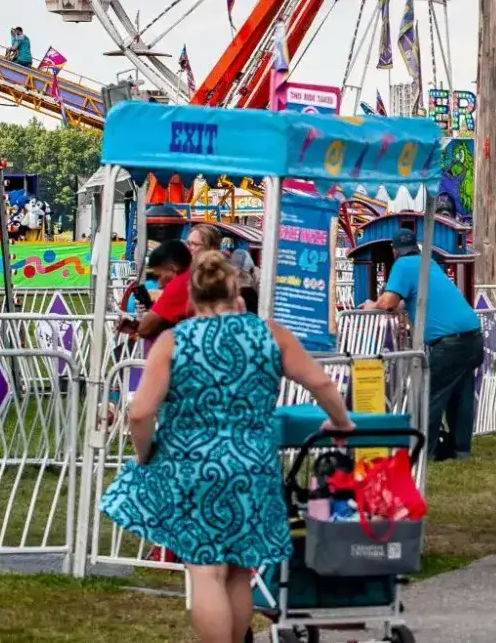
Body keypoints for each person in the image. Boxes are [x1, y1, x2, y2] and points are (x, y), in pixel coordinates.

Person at [101, 251, 354, 643]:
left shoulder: (173, 341)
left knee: (205, 568)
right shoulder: (271, 334)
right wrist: (341, 422)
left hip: (191, 467)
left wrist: (144, 452)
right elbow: (321, 383)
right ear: (236, 290)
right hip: (253, 464)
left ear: (191, 298)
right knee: (239, 569)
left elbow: (140, 413)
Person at [365, 232, 485, 460]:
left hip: (449, 343)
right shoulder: (427, 262)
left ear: (394, 250)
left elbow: (388, 302)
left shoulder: (402, 264)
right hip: (473, 335)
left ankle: (424, 453)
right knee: (461, 397)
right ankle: (461, 451)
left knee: (430, 397)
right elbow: (412, 298)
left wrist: (372, 305)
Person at [118, 240, 193, 341]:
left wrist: (137, 326)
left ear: (173, 268)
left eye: (159, 276)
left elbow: (145, 329)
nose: (159, 284)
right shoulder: (196, 276)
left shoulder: (179, 285)